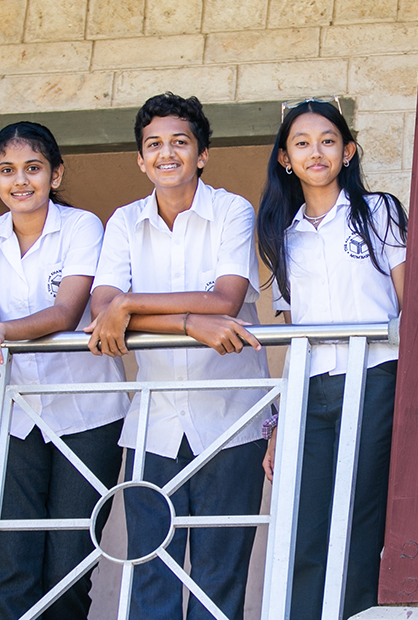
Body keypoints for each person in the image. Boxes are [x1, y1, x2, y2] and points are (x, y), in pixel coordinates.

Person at [87, 93, 272, 619]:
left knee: (220, 579)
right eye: (154, 145)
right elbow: (102, 309)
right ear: (140, 159)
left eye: (180, 142)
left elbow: (226, 300)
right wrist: (190, 322)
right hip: (154, 427)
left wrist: (129, 305)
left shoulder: (232, 210)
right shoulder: (124, 222)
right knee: (153, 578)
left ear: (202, 153)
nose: (167, 153)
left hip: (232, 422)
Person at [0, 121, 128, 619]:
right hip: (15, 415)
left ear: (55, 173)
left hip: (89, 416)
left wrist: (0, 330)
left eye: (33, 168)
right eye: (7, 171)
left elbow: (66, 313)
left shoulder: (82, 226)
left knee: (68, 567)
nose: (20, 180)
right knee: (11, 564)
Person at [254, 97, 408, 619]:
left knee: (361, 521)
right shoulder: (280, 234)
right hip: (312, 393)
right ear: (284, 158)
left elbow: (413, 308)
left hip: (377, 380)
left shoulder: (378, 212)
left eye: (327, 140)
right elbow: (297, 334)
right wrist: (279, 422)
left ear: (348, 151)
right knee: (305, 523)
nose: (315, 151)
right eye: (301, 142)